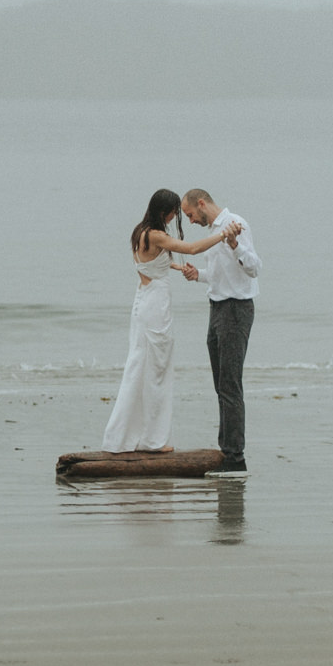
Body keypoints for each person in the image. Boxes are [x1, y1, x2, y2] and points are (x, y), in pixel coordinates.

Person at [101, 189, 240, 453]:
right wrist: (223, 234)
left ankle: (130, 437)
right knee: (155, 371)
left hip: (144, 303)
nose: (177, 216)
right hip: (155, 309)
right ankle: (153, 440)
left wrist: (176, 268)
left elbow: (148, 265)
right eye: (176, 212)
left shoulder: (140, 232)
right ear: (165, 211)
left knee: (141, 368)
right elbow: (191, 248)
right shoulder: (157, 235)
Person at [175, 188, 260, 474]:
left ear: (201, 204)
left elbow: (254, 268)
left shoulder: (235, 223)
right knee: (221, 385)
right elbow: (220, 276)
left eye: (189, 214)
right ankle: (227, 450)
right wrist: (197, 275)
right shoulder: (214, 232)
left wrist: (235, 244)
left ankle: (235, 458)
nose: (190, 221)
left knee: (230, 385)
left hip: (236, 310)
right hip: (217, 308)